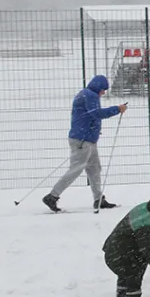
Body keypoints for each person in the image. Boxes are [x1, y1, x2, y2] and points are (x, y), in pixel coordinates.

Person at [42, 75, 127, 212]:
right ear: (98, 87)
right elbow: (97, 114)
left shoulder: (87, 94)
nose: (104, 92)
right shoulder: (89, 96)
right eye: (103, 89)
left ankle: (98, 199)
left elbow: (90, 116)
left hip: (88, 140)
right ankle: (52, 196)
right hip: (82, 140)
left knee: (95, 169)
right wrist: (117, 109)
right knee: (76, 169)